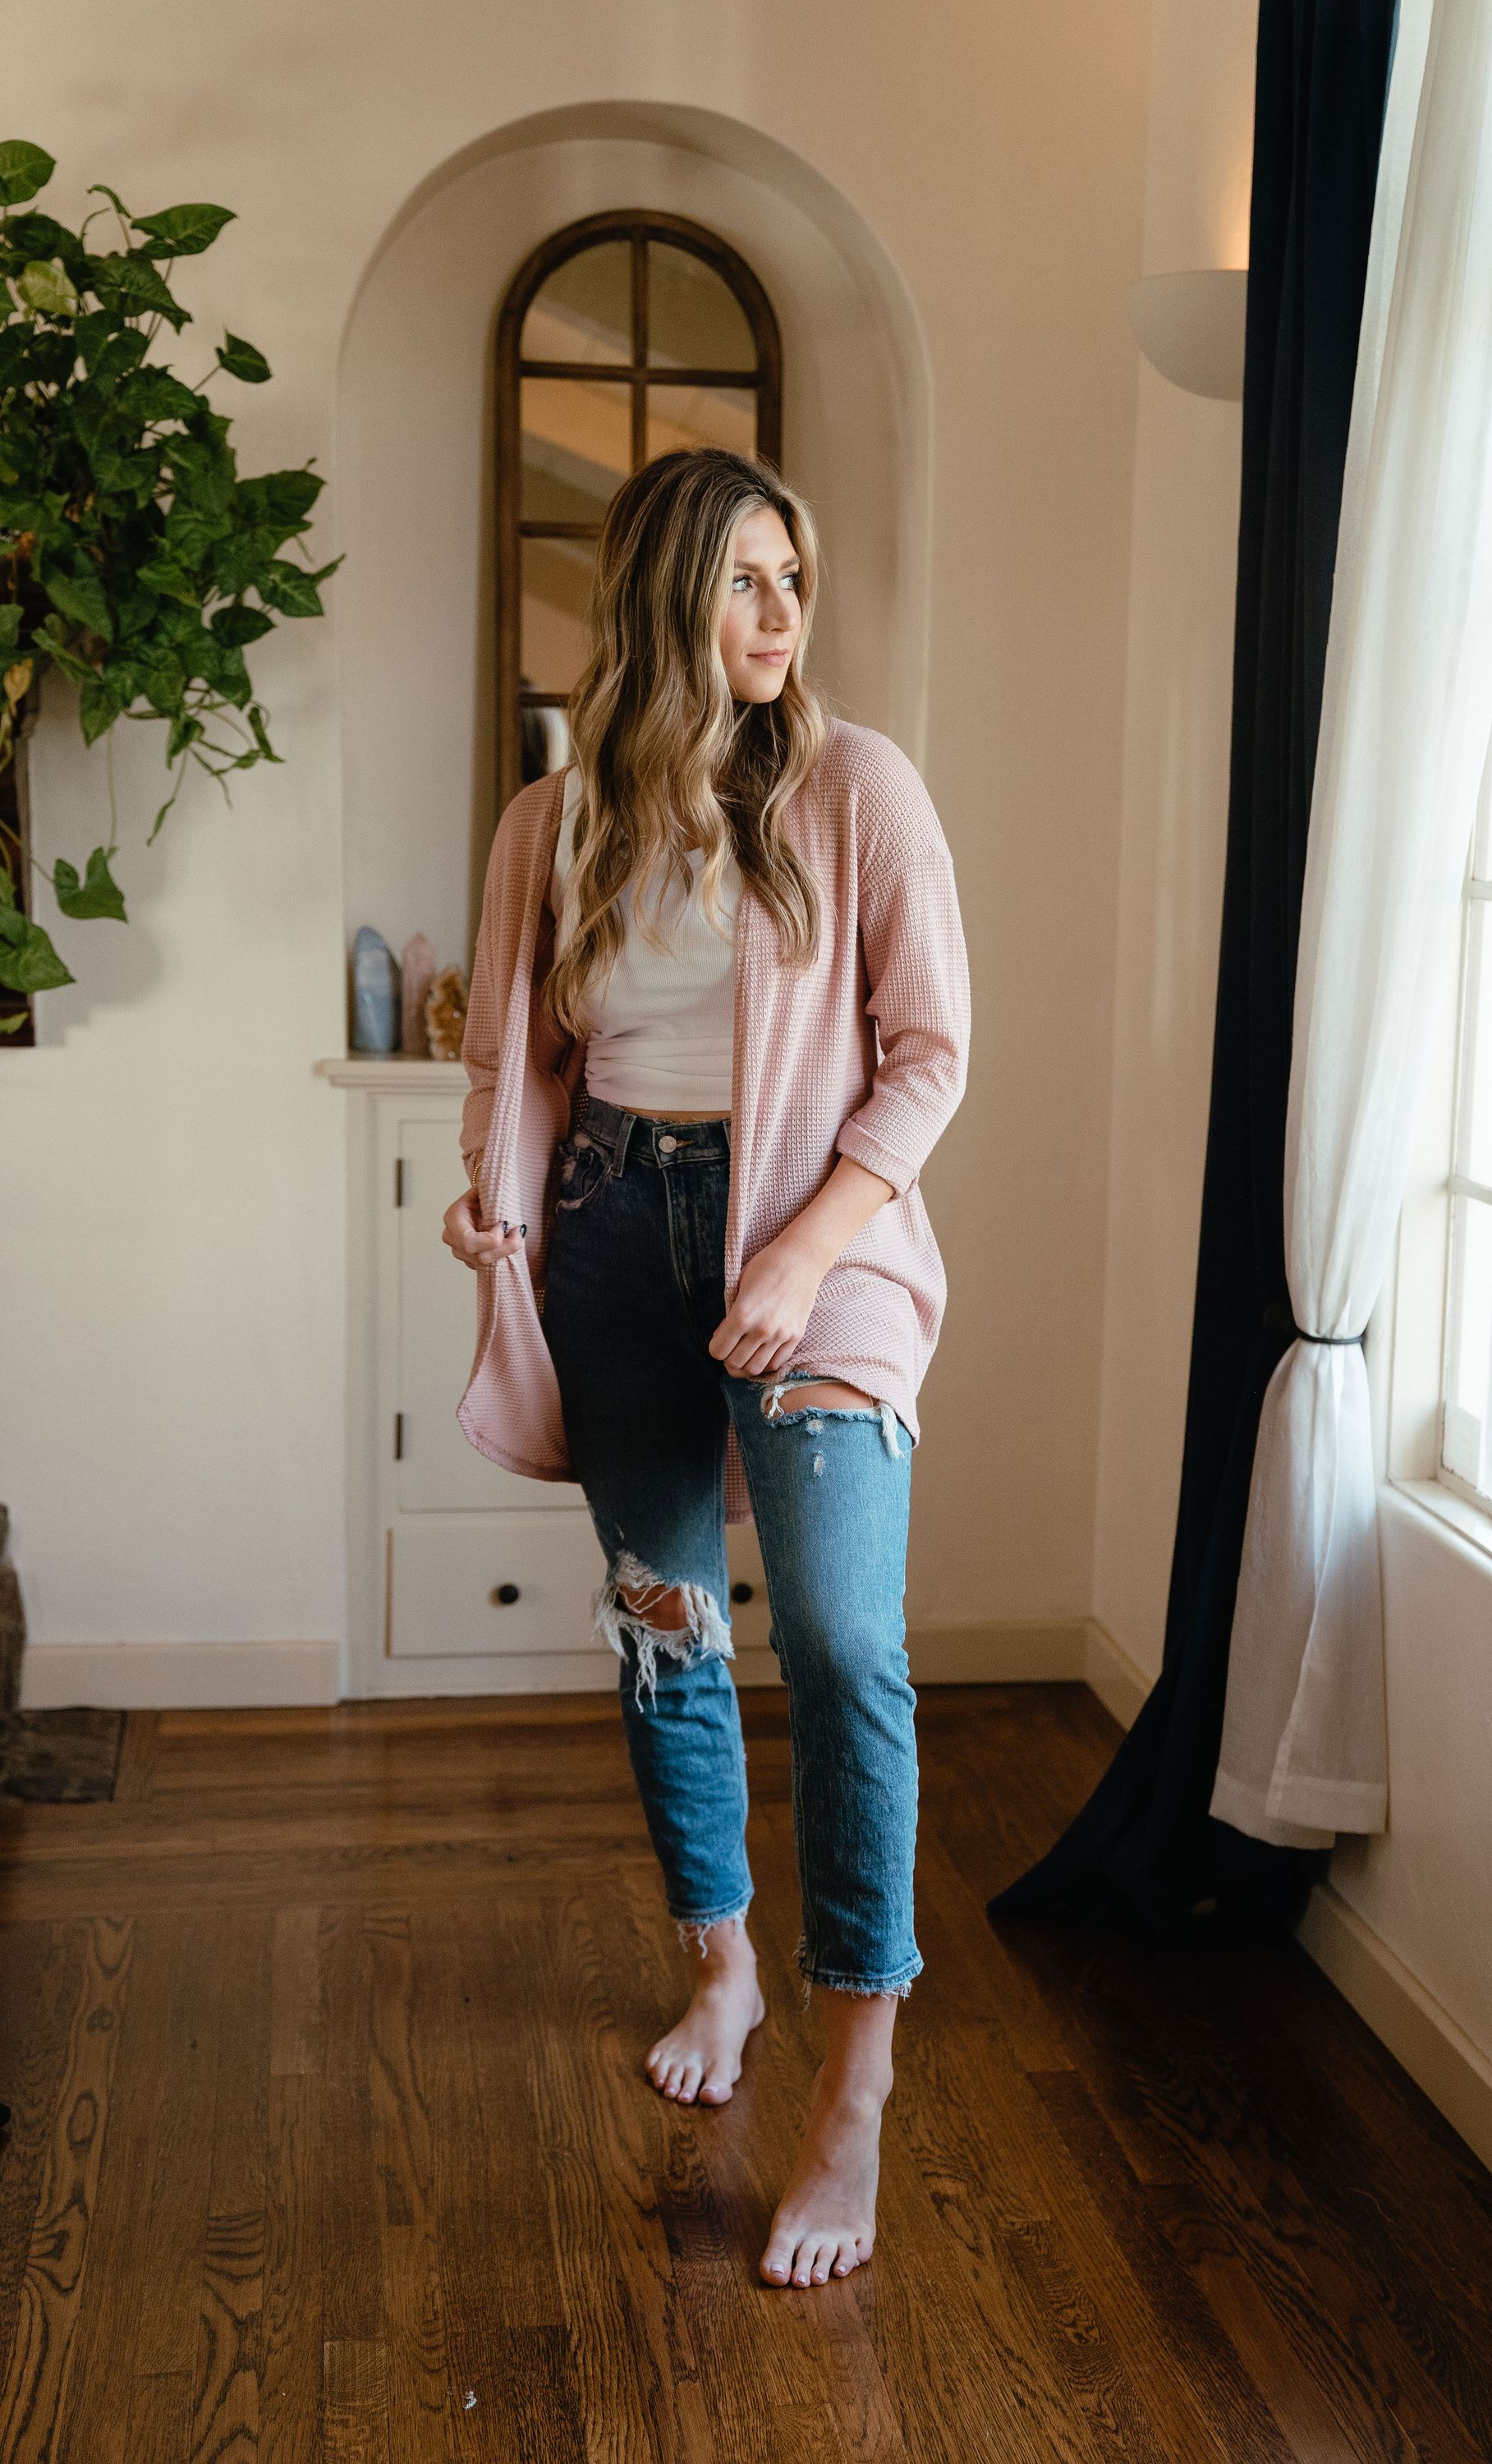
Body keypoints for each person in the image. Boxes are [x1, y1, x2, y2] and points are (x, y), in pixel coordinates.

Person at [443, 447, 969, 2289]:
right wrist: (494, 1214)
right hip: (611, 1234)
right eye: (747, 580)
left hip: (807, 1250)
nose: (780, 616)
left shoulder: (852, 788)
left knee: (840, 1645)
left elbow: (928, 1055)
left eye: (793, 582)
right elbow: (519, 1058)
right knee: (668, 1617)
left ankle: (854, 2096)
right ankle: (721, 1961)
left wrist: (807, 1251)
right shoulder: (555, 814)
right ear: (667, 592)